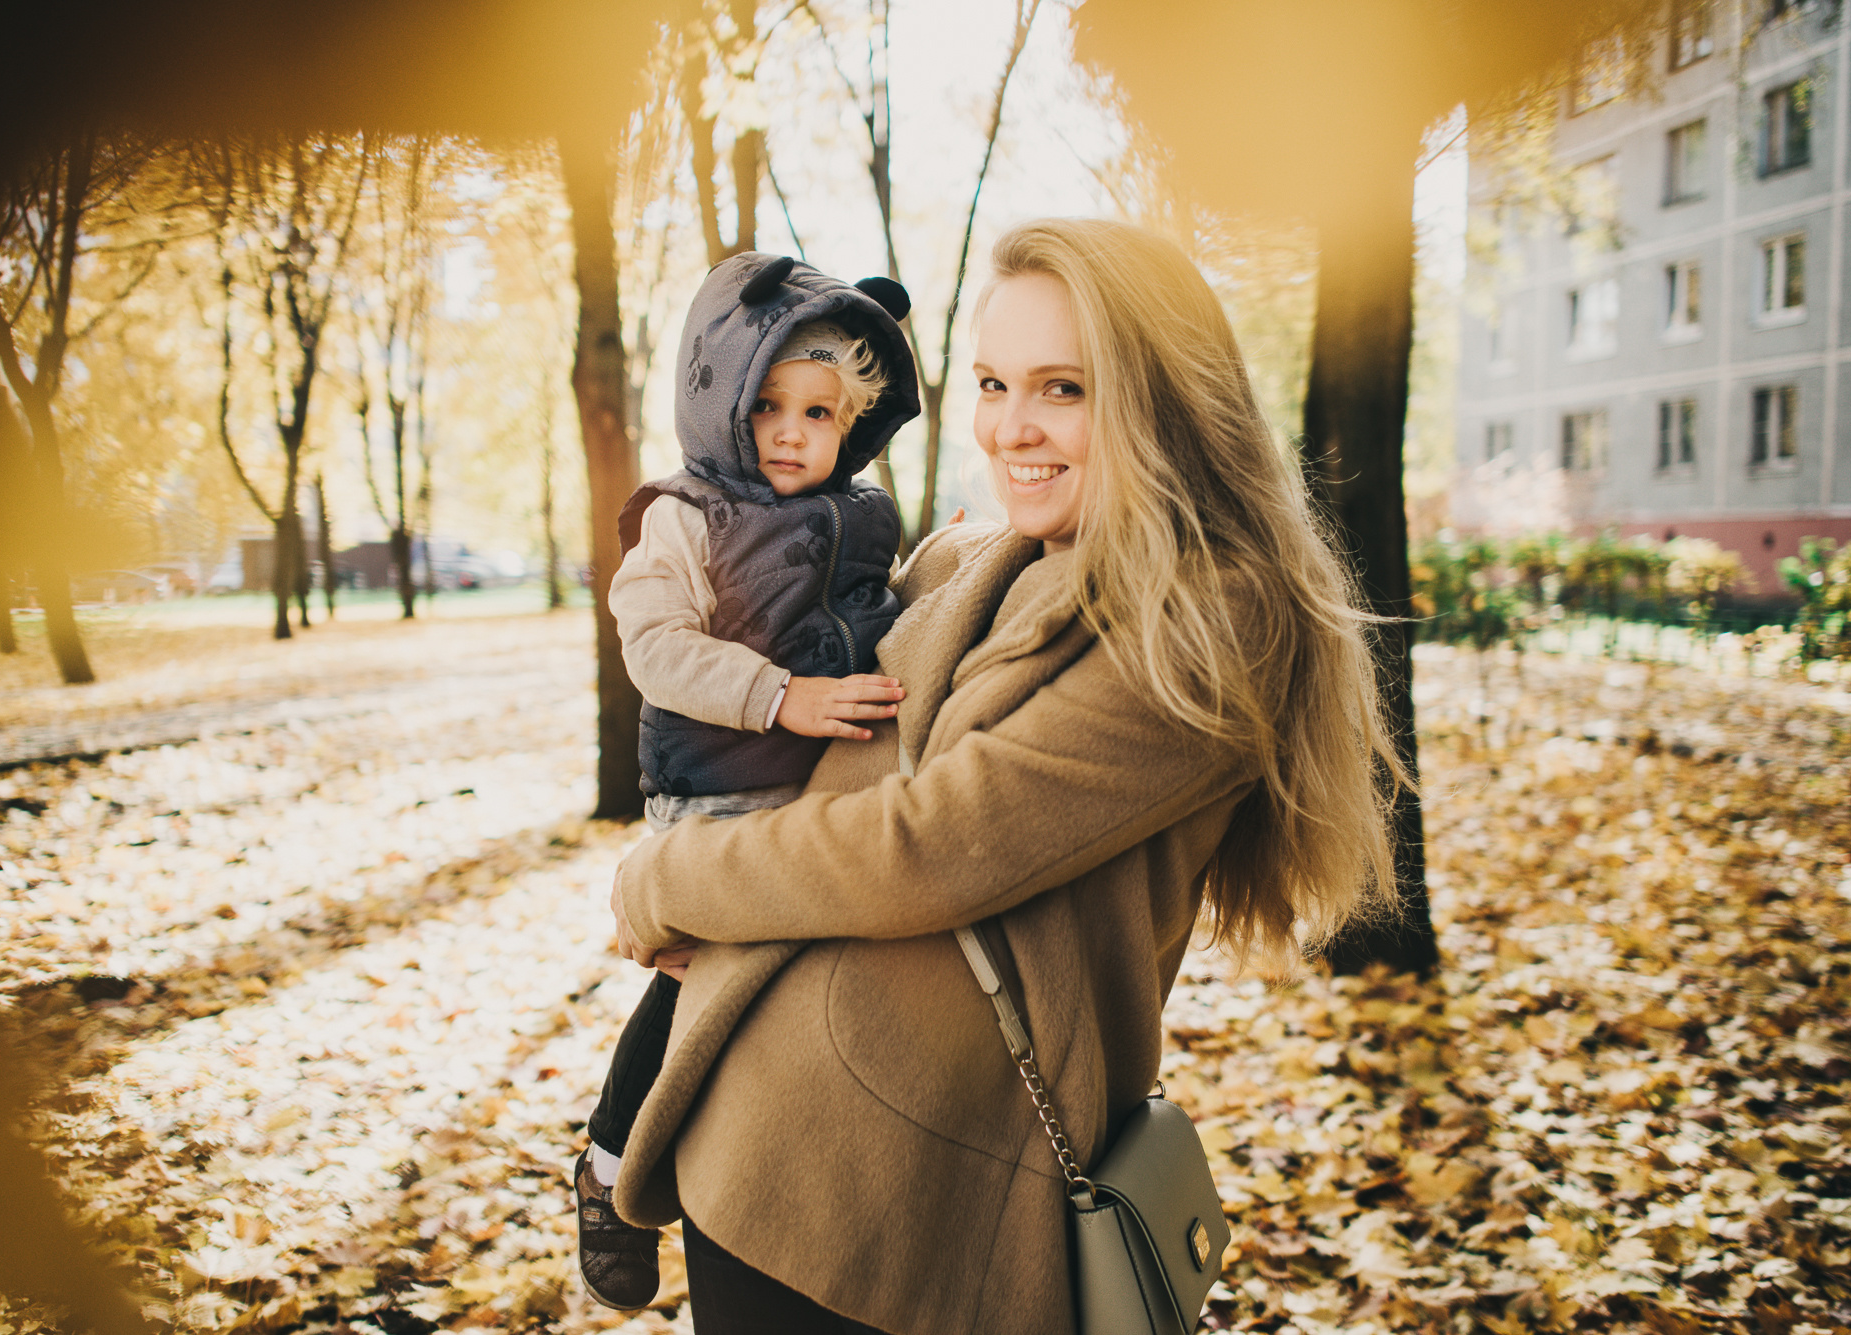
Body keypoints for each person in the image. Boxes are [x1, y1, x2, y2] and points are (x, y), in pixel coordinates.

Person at [604, 218, 1400, 1335]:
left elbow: (929, 848)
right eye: (989, 382)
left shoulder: (1212, 618)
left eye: (1062, 388)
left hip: (913, 1199)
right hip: (773, 1144)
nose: (1010, 427)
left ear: (1161, 398)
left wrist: (663, 878)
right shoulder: (999, 553)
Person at [572, 253, 922, 1311]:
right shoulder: (686, 516)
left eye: (818, 412)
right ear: (719, 396)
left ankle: (781, 1181)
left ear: (853, 423)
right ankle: (607, 1160)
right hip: (718, 785)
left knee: (792, 1001)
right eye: (765, 403)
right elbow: (657, 648)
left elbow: (883, 617)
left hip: (822, 796)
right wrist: (779, 695)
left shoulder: (861, 516)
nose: (787, 431)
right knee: (701, 983)